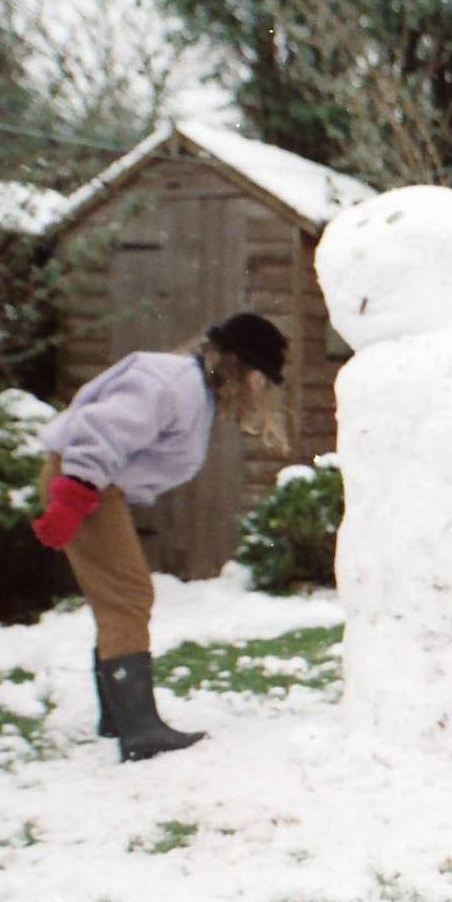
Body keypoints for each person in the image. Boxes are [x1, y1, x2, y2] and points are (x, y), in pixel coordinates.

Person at [32, 312, 290, 762]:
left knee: (124, 596)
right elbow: (102, 427)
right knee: (128, 597)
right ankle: (138, 730)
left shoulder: (192, 390)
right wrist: (72, 496)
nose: (257, 391)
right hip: (85, 483)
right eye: (257, 378)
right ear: (238, 366)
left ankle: (120, 719)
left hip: (94, 485)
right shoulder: (173, 383)